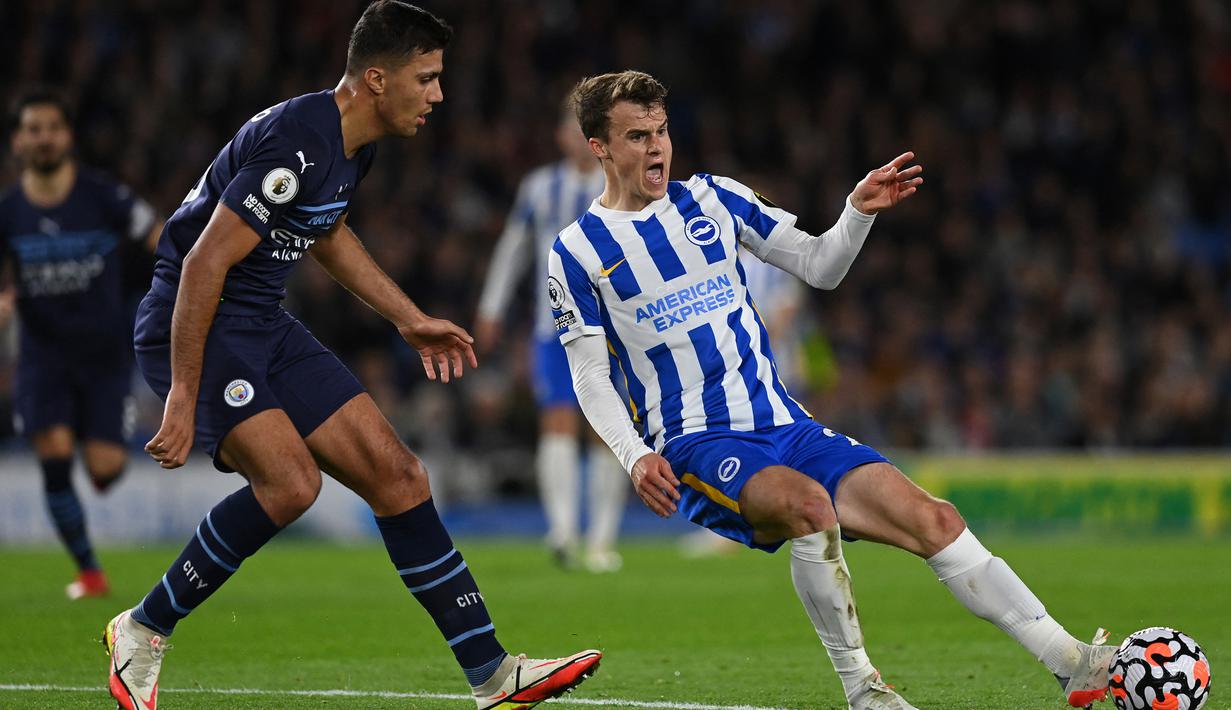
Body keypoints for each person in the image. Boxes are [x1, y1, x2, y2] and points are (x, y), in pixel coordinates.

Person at [549, 70, 1112, 710]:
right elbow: (590, 375)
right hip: (697, 443)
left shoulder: (715, 200)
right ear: (599, 147)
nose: (657, 148)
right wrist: (635, 455)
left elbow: (820, 265)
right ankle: (864, 691)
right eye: (637, 136)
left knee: (937, 519)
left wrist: (855, 213)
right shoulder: (577, 251)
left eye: (663, 131)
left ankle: (1074, 664)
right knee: (811, 509)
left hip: (787, 426)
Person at [102, 4, 599, 710]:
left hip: (262, 324)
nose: (438, 96)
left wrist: (409, 318)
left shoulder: (351, 142)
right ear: (374, 79)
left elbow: (326, 232)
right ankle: (142, 629)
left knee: (399, 476)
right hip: (201, 324)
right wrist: (182, 393)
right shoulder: (295, 140)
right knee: (290, 486)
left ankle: (493, 675)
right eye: (425, 79)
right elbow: (202, 264)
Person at [0, 88, 161, 600]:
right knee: (52, 452)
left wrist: (189, 273)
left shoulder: (101, 196)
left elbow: (156, 233)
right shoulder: (8, 213)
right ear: (18, 142)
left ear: (67, 136)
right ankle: (90, 573)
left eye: (51, 127)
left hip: (104, 355)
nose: (43, 138)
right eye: (33, 129)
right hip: (42, 355)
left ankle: (99, 473)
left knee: (104, 468)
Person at [475, 106, 627, 573]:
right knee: (558, 421)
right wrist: (491, 307)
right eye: (569, 129)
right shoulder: (540, 187)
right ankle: (562, 530)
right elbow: (513, 248)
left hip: (616, 326)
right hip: (555, 327)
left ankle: (602, 538)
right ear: (562, 136)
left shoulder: (621, 184)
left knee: (608, 429)